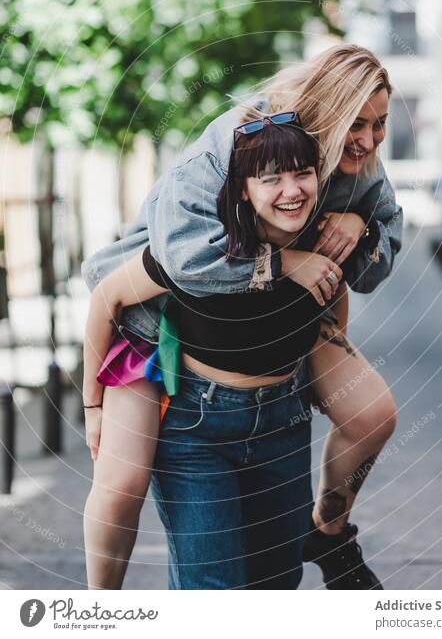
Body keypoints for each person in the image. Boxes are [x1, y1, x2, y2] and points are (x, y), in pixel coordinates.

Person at [82, 42, 402, 589]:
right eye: (359, 124)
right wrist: (283, 262)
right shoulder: (231, 157)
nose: (370, 140)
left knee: (371, 418)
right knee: (122, 485)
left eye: (382, 124)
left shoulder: (353, 166)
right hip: (160, 337)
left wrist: (360, 229)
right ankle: (96, 614)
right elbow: (169, 267)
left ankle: (329, 532)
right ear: (242, 192)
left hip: (274, 386)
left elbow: (367, 267)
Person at [83, 119, 339, 589]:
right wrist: (93, 407)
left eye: (302, 173)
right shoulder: (201, 253)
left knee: (277, 585)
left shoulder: (321, 239)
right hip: (197, 430)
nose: (291, 191)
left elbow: (332, 310)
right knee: (213, 594)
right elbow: (106, 298)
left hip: (284, 424)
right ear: (242, 189)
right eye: (271, 179)